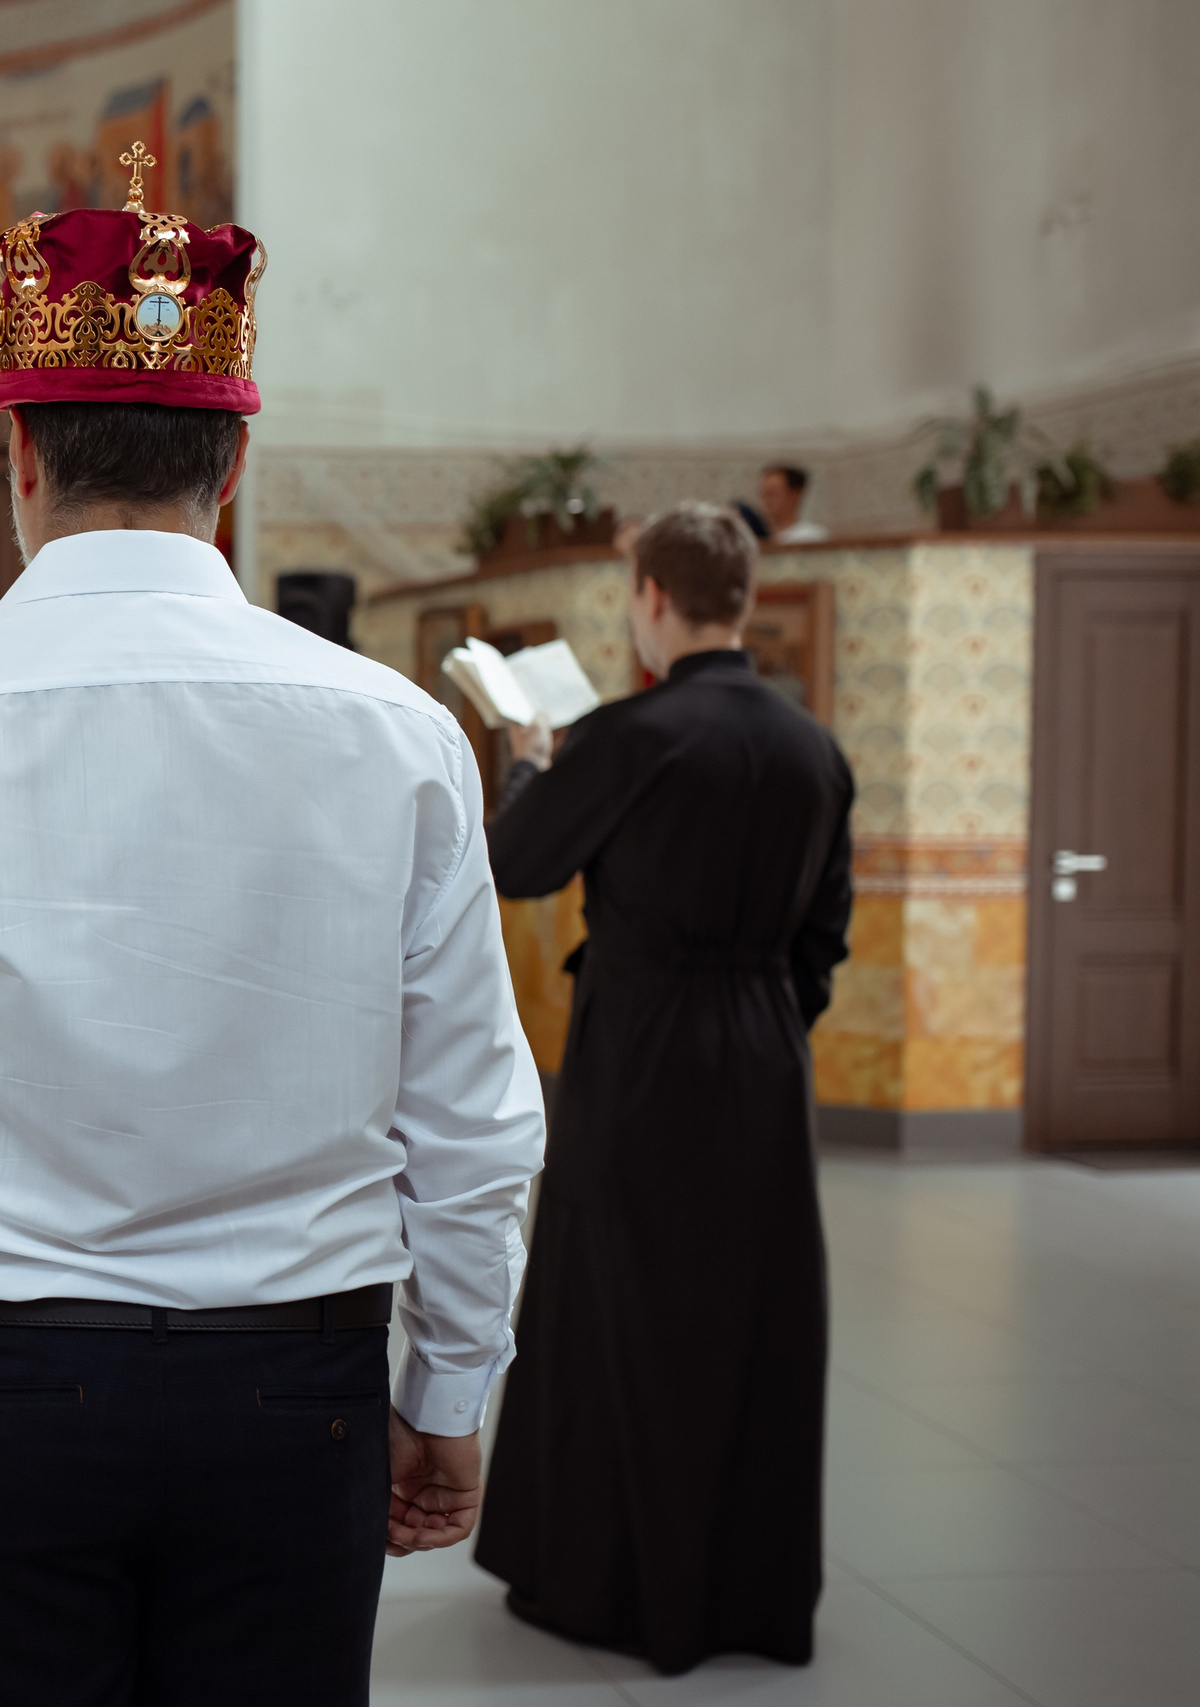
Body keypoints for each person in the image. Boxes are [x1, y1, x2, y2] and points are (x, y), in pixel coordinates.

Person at [0, 174, 544, 1705]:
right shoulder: (402, 734)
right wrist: (448, 1387)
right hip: (300, 1390)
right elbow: (474, 1125)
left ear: (19, 455)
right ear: (235, 464)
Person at [476, 502, 854, 1675]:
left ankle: (608, 1586)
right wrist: (761, 1016)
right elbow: (823, 938)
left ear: (650, 598)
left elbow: (516, 864)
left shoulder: (629, 736)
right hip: (765, 1049)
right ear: (740, 598)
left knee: (622, 1302)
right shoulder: (812, 748)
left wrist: (529, 760)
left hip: (641, 1048)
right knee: (750, 1313)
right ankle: (746, 1592)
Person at [760, 463, 828, 543]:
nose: (766, 499)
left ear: (795, 495)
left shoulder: (813, 536)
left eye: (772, 493)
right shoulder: (759, 536)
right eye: (763, 493)